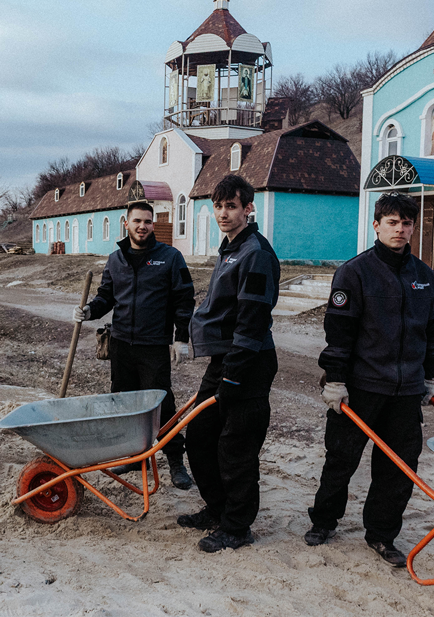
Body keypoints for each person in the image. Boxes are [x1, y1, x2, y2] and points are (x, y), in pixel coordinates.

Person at [304, 192, 434, 568]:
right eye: (393, 222)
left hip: (406, 391)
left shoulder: (422, 276)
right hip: (361, 388)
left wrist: (431, 375)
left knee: (398, 468)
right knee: (341, 460)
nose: (400, 229)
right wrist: (334, 380)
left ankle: (381, 535)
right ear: (377, 225)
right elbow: (340, 333)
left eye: (407, 223)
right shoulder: (354, 272)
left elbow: (427, 331)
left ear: (413, 227)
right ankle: (324, 521)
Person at [179, 174, 280, 553]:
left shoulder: (255, 253)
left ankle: (237, 527)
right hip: (226, 358)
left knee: (236, 448)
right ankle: (219, 509)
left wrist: (234, 377)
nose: (223, 213)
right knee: (200, 436)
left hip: (248, 361)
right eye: (218, 206)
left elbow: (251, 322)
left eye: (231, 206)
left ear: (248, 208)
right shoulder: (231, 248)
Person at [73, 201, 196, 490]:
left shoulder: (170, 257)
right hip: (121, 346)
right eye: (137, 221)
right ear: (125, 224)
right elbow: (106, 296)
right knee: (124, 405)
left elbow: (184, 300)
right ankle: (134, 457)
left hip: (153, 346)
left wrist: (180, 338)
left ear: (153, 225)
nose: (143, 226)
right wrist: (89, 310)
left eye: (148, 221)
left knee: (162, 405)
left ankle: (176, 462)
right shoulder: (116, 259)